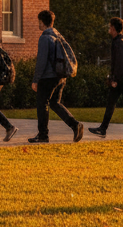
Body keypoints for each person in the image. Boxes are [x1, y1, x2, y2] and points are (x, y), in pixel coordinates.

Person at [28, 10, 83, 144]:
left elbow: (41, 61)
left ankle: (43, 135)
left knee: (42, 104)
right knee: (54, 103)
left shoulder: (45, 37)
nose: (38, 24)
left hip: (47, 77)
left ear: (42, 21)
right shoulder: (57, 35)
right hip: (60, 76)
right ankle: (75, 125)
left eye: (39, 21)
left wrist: (35, 80)